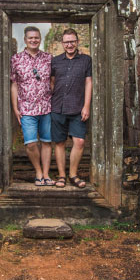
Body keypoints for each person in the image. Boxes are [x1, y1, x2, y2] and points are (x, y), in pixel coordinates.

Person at [10, 25, 54, 186]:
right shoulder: (16, 59)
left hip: (46, 106)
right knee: (30, 143)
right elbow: (14, 84)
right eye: (31, 38)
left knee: (47, 142)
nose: (34, 40)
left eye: (36, 37)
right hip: (26, 108)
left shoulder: (49, 58)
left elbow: (53, 81)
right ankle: (38, 171)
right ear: (25, 39)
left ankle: (47, 174)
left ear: (40, 39)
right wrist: (15, 108)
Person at [50, 28, 92, 188]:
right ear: (62, 43)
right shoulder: (55, 61)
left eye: (72, 41)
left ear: (77, 42)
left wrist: (86, 106)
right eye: (66, 42)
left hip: (78, 106)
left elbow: (88, 82)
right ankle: (61, 176)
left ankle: (73, 174)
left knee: (80, 141)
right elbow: (51, 82)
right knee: (59, 142)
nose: (69, 45)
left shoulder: (86, 60)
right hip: (57, 106)